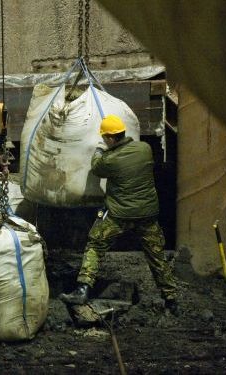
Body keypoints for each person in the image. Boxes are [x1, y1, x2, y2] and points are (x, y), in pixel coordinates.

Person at [59, 115, 178, 314]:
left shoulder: (110, 160)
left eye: (105, 138)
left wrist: (98, 150)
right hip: (147, 215)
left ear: (111, 139)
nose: (104, 141)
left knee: (95, 245)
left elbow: (97, 167)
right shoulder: (145, 149)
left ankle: (82, 289)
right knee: (157, 257)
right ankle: (171, 299)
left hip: (118, 215)